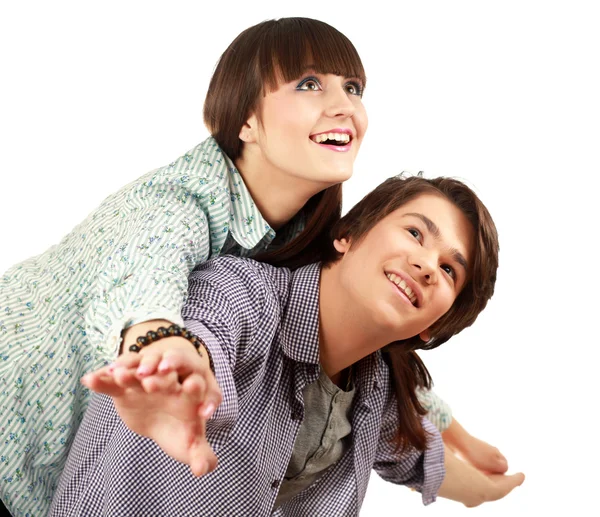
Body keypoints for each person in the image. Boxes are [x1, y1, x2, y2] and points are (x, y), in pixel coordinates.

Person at [0, 17, 505, 516]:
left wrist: (457, 434)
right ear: (245, 120)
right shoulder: (174, 206)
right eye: (309, 83)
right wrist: (164, 350)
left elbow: (370, 343)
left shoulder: (301, 239)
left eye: (353, 88)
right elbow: (143, 281)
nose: (344, 106)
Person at [54, 175, 524, 516]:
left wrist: (485, 491)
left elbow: (422, 462)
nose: (426, 264)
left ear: (434, 324)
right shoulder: (244, 293)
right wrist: (175, 364)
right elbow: (202, 335)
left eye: (449, 270)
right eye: (416, 233)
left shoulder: (375, 393)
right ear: (348, 235)